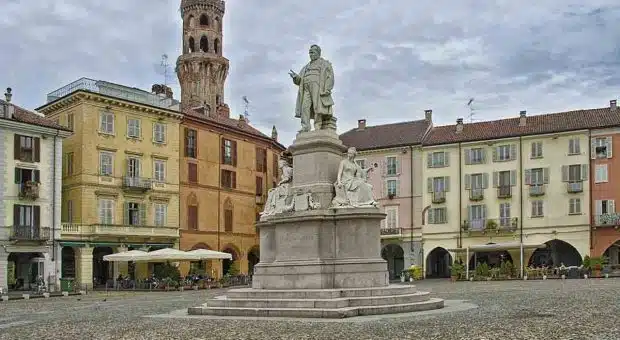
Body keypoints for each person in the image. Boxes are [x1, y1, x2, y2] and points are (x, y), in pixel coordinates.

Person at [289, 44, 335, 132]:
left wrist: (327, 89)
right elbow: (300, 80)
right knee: (304, 107)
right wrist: (295, 77)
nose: (310, 54)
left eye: (312, 52)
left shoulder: (324, 63)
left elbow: (330, 77)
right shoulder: (306, 66)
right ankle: (305, 126)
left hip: (318, 87)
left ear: (318, 53)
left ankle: (318, 125)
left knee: (317, 106)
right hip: (306, 88)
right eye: (310, 53)